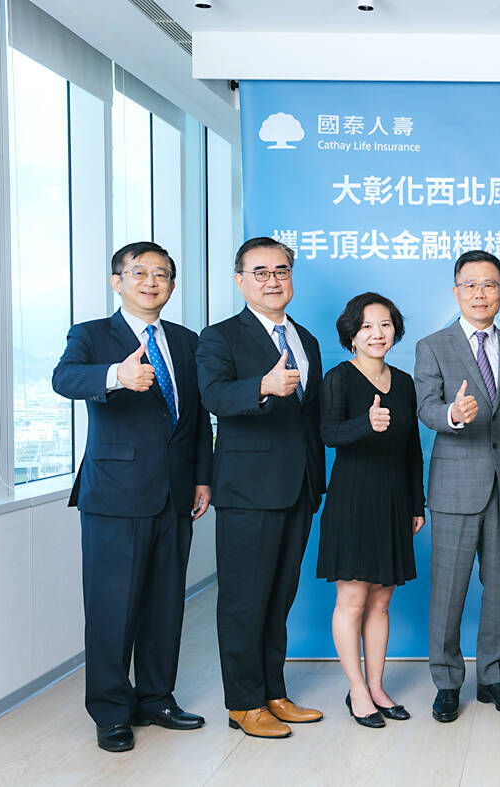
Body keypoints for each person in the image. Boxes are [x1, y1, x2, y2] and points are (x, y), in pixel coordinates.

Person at [52, 242, 212, 753]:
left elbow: (194, 419)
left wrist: (202, 477)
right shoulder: (92, 334)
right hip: (115, 496)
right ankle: (111, 711)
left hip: (175, 493)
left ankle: (156, 698)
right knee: (112, 608)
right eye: (139, 272)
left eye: (161, 274)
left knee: (166, 604)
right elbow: (63, 379)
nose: (151, 282)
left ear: (172, 285)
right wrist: (115, 375)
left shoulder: (185, 341)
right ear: (117, 281)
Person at [196, 237, 326, 739]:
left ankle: (273, 691)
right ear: (240, 280)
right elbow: (212, 395)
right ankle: (244, 702)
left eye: (281, 271)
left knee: (278, 598)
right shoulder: (220, 337)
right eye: (261, 272)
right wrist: (263, 387)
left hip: (299, 489)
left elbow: (310, 416)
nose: (273, 281)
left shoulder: (305, 338)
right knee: (244, 601)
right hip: (248, 491)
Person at [414, 250, 500, 723]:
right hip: (454, 486)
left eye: (489, 284)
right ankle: (446, 682)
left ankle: (493, 677)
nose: (480, 293)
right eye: (471, 284)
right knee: (448, 590)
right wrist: (452, 414)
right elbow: (426, 406)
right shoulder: (433, 345)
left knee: (499, 587)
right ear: (456, 291)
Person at [318, 292, 425, 728]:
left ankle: (377, 687)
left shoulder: (404, 382)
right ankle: (357, 690)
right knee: (353, 598)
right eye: (366, 327)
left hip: (394, 500)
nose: (377, 334)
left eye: (385, 325)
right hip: (352, 499)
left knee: (381, 601)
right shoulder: (339, 378)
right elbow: (328, 433)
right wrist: (367, 423)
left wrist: (416, 503)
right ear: (351, 335)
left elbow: (413, 449)